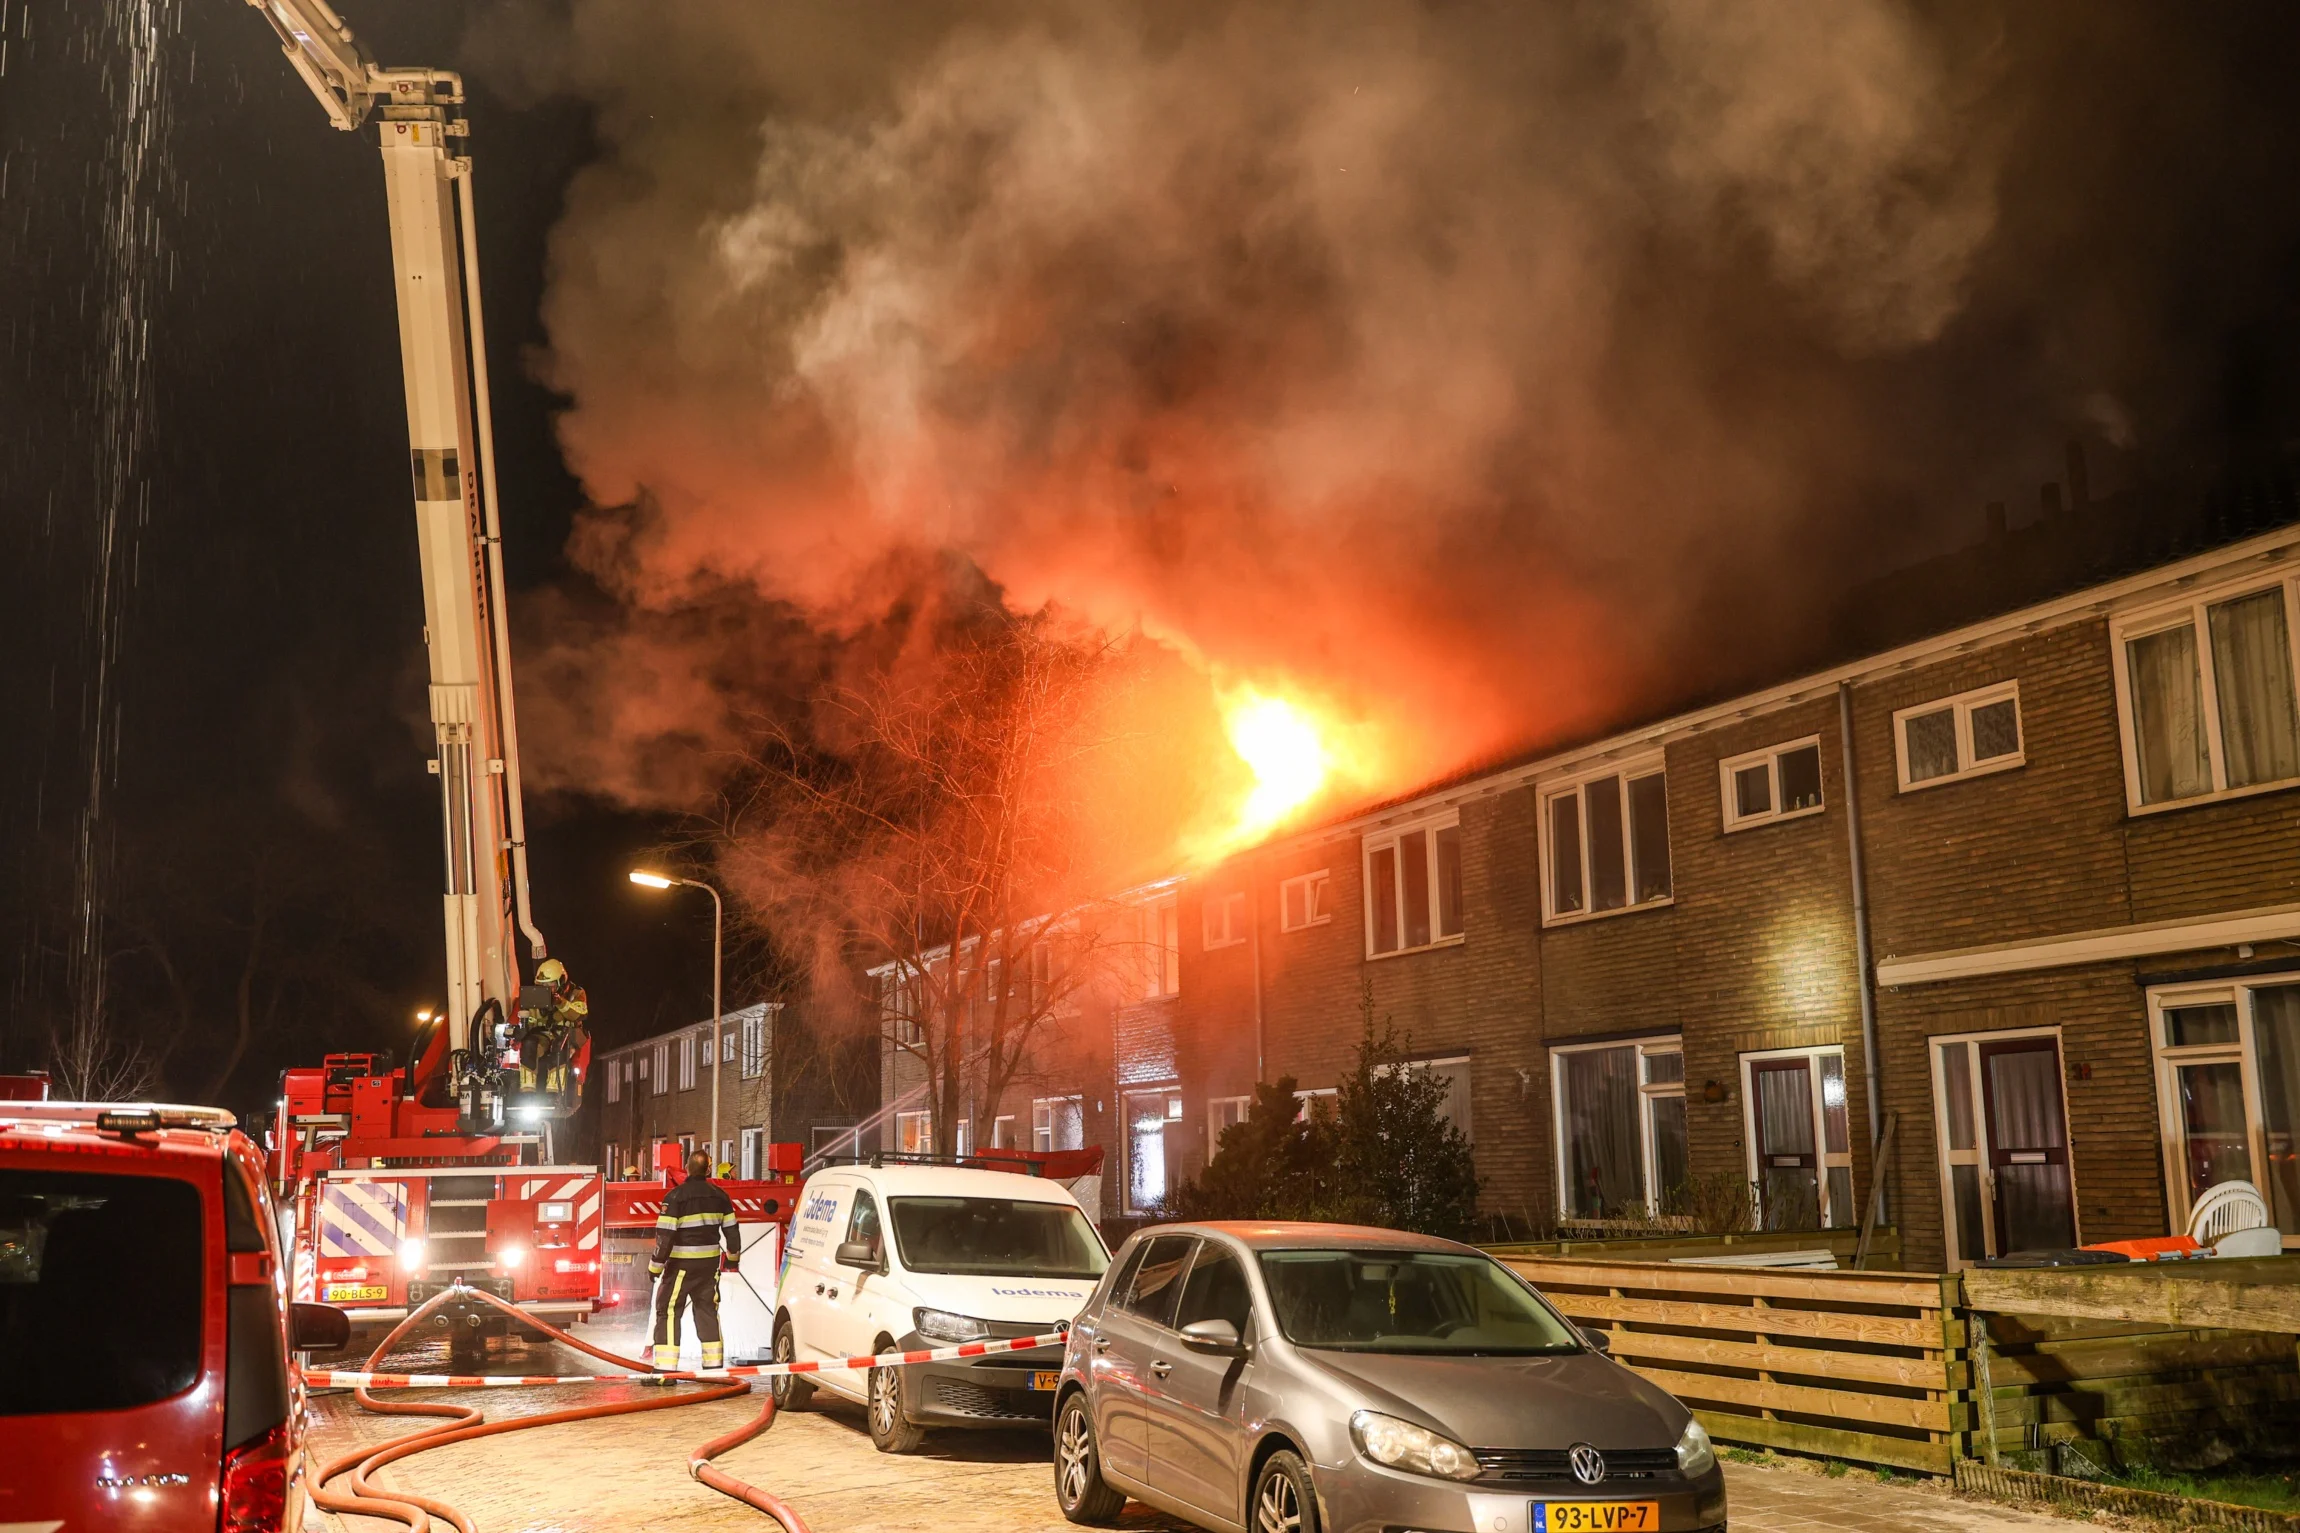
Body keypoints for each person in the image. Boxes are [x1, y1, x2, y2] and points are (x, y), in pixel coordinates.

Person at [651, 1149, 739, 1370]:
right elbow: (732, 1231)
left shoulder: (675, 1197)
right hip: (709, 1266)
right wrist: (732, 1259)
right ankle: (713, 1368)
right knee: (707, 1310)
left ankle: (665, 1369)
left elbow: (665, 1236)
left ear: (687, 1168)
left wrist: (655, 1267)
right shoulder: (720, 1196)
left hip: (681, 1266)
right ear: (708, 1170)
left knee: (669, 1310)